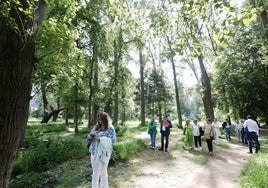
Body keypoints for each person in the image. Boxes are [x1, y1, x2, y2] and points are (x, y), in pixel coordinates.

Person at [87, 112, 116, 188]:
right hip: (94, 152)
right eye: (99, 119)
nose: (100, 121)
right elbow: (89, 136)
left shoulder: (110, 128)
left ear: (106, 119)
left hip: (104, 153)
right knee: (95, 172)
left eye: (102, 119)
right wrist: (90, 136)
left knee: (103, 172)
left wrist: (99, 139)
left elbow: (112, 140)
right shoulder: (96, 127)